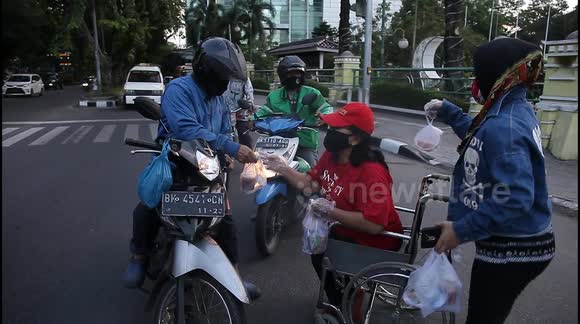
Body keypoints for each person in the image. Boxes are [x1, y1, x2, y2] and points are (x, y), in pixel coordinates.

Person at [426, 38, 555, 324]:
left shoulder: (504, 127)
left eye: (479, 74)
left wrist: (461, 230)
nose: (475, 81)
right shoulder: (509, 111)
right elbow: (480, 142)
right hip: (516, 241)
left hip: (514, 250)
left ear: (497, 76)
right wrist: (449, 112)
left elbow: (516, 197)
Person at [122, 37, 261, 300]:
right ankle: (139, 255)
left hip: (208, 166)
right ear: (206, 71)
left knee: (226, 219)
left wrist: (227, 153)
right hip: (176, 162)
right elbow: (186, 128)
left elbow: (223, 130)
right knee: (148, 207)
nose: (225, 83)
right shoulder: (178, 89)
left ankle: (235, 274)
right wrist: (232, 148)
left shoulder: (219, 101)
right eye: (222, 76)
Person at [262, 102, 403, 318]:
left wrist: (329, 211)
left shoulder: (371, 172)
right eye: (329, 128)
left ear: (355, 138)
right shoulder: (332, 155)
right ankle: (344, 294)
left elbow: (374, 225)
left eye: (336, 129)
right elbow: (310, 185)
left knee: (321, 254)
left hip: (375, 241)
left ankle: (344, 305)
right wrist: (282, 168)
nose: (329, 133)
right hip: (344, 229)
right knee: (318, 251)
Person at [255, 55, 333, 168]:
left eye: (298, 73)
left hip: (305, 143)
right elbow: (263, 112)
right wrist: (251, 119)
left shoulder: (312, 93)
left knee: (311, 174)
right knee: (260, 169)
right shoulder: (274, 96)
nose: (296, 76)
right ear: (283, 75)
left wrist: (325, 116)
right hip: (278, 142)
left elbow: (325, 107)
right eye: (291, 74)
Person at [223, 77, 255, 148]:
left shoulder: (244, 78)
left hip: (240, 110)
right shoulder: (223, 74)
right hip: (225, 111)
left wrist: (249, 104)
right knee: (225, 135)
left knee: (245, 135)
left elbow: (249, 91)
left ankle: (249, 155)